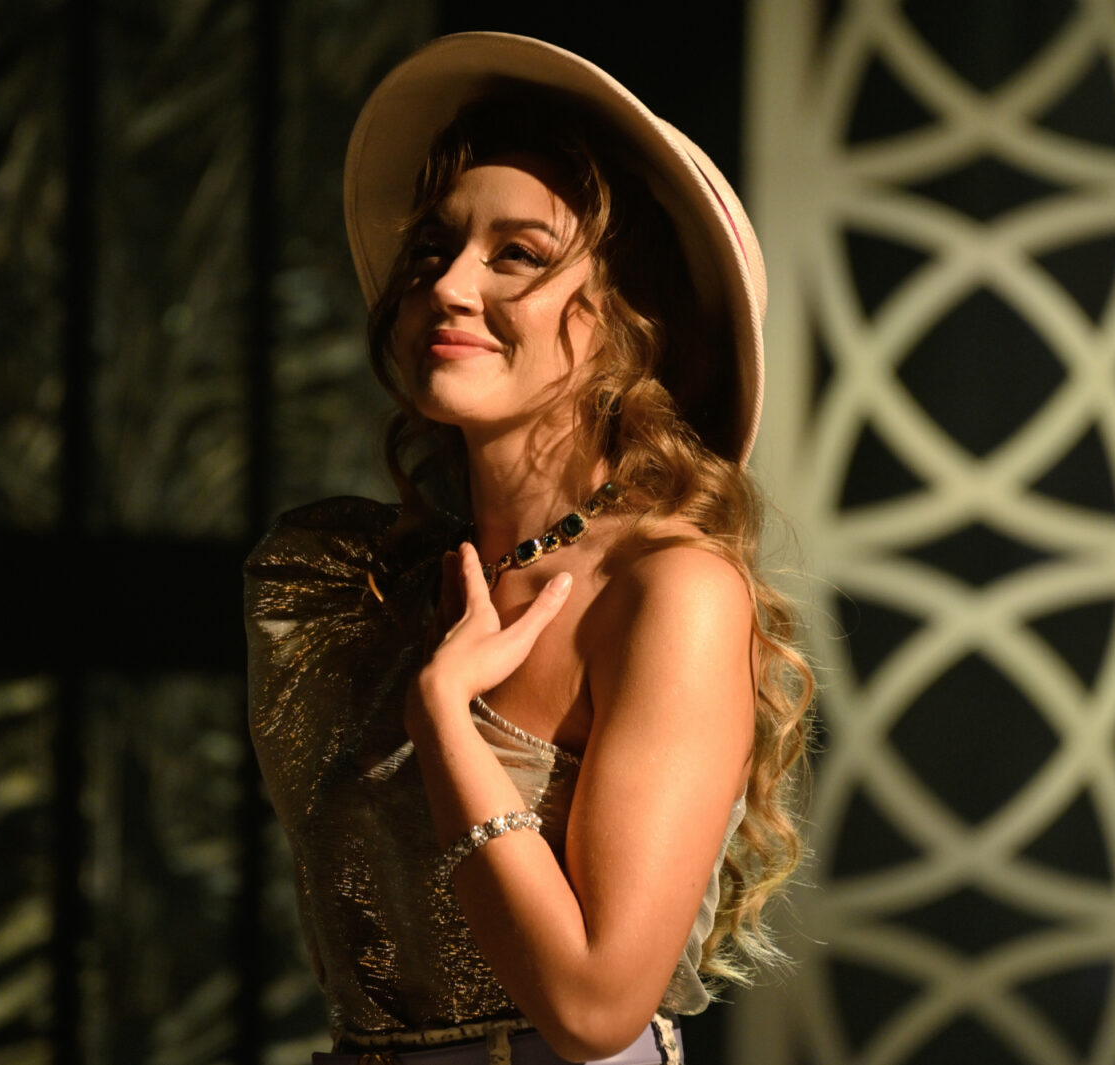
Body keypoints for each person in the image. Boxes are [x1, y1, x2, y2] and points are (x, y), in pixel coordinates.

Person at [246, 32, 813, 1065]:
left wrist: (446, 723)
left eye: (517, 255)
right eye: (434, 248)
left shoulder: (666, 591)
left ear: (633, 318)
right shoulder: (359, 581)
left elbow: (595, 1009)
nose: (449, 285)